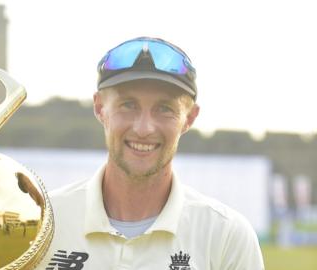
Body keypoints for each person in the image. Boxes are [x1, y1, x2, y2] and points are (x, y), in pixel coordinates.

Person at [38, 37, 264, 269]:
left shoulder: (226, 236)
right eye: (128, 105)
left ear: (190, 118)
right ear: (99, 108)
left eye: (165, 109)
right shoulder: (41, 223)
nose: (143, 129)